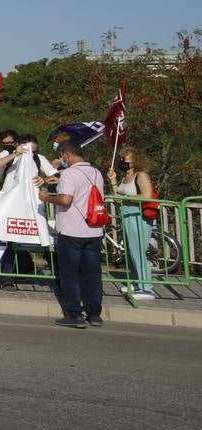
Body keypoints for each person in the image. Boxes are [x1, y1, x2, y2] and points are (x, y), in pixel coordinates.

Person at [39, 140, 105, 327]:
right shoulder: (96, 172)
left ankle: (75, 315)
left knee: (70, 274)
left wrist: (46, 197)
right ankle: (94, 314)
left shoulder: (69, 173)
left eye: (62, 157)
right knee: (92, 274)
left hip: (71, 230)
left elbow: (66, 199)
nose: (62, 160)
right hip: (94, 229)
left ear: (67, 155)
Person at [109, 147, 157, 301]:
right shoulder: (124, 177)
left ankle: (146, 288)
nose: (124, 161)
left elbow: (147, 195)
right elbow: (117, 198)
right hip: (126, 214)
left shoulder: (141, 175)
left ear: (136, 159)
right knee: (130, 252)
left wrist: (127, 198)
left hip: (138, 215)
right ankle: (137, 283)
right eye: (122, 158)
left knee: (138, 251)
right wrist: (113, 181)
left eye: (127, 158)